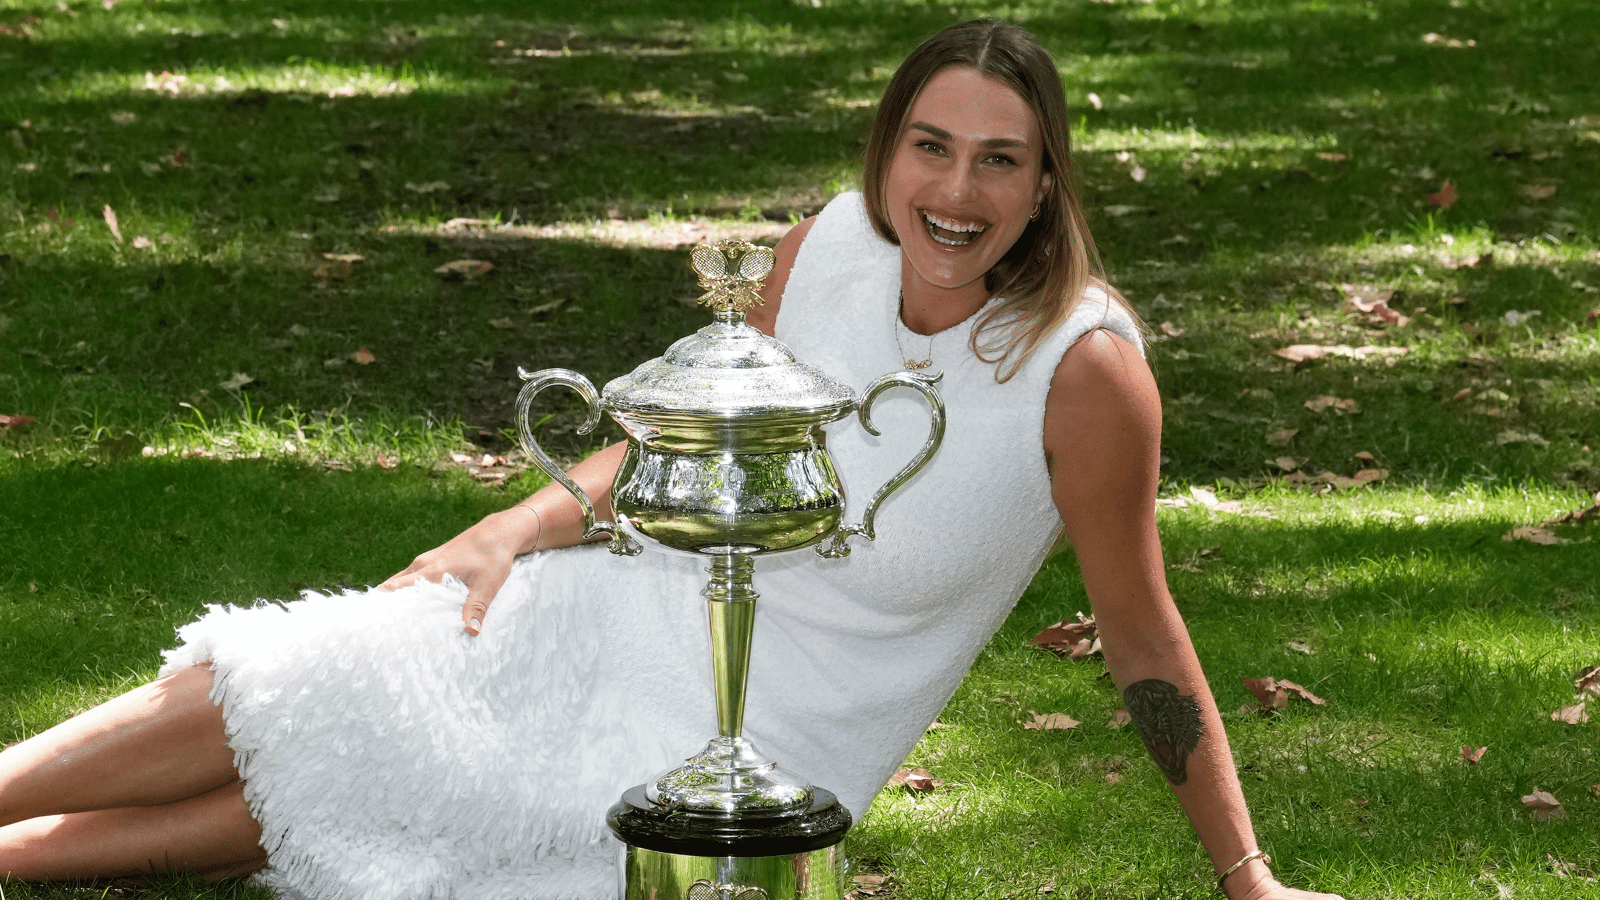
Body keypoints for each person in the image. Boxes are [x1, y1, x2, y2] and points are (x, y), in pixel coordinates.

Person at [0, 19, 1342, 900]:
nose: (957, 193)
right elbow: (671, 440)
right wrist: (505, 535)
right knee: (331, 675)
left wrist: (1249, 878)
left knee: (377, 786)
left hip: (757, 738)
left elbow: (1141, 631)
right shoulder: (830, 242)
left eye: (1002, 161)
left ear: (1047, 185)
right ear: (888, 154)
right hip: (617, 607)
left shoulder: (1082, 368)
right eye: (931, 147)